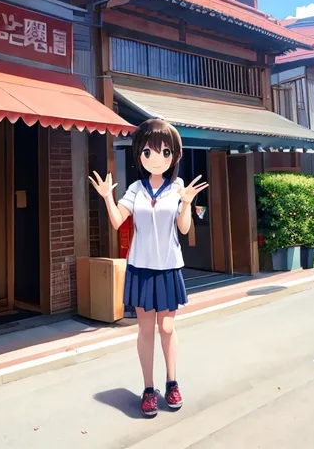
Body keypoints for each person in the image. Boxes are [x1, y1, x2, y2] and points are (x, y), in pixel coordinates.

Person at [89, 118, 208, 418]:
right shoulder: (135, 189)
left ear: (174, 156)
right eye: (149, 152)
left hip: (168, 266)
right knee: (145, 330)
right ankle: (147, 388)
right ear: (140, 154)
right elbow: (118, 221)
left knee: (167, 328)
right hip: (141, 268)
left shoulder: (178, 187)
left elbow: (183, 229)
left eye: (164, 152)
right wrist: (106, 197)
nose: (157, 159)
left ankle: (172, 382)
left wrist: (187, 204)